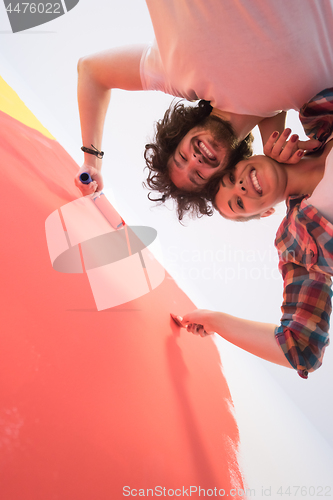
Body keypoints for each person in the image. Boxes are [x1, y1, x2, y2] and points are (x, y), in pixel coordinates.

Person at [75, 0, 332, 217]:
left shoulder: (177, 76)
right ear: (227, 171)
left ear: (180, 135)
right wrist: (275, 150)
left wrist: (91, 162)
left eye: (181, 157)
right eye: (199, 175)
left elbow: (91, 71)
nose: (195, 161)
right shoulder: (304, 100)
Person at [180, 122, 333, 379]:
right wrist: (214, 320)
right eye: (239, 203)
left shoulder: (317, 116)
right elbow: (302, 349)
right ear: (265, 213)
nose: (239, 187)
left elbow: (269, 95)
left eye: (230, 178)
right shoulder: (298, 242)